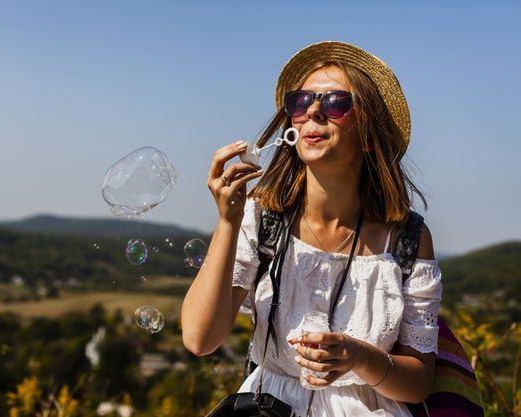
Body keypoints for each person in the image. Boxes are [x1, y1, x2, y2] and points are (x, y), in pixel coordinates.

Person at [181, 41, 442, 417]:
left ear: (369, 135)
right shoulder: (264, 219)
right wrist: (228, 222)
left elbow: (418, 385)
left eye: (336, 102)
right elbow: (199, 339)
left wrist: (358, 356)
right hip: (270, 407)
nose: (313, 111)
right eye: (300, 103)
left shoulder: (407, 241)